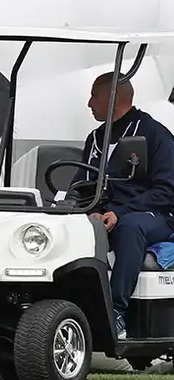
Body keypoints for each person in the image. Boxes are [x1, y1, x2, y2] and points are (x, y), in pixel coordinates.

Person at [72, 72, 174, 340]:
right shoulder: (95, 139)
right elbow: (81, 185)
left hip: (154, 216)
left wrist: (120, 212)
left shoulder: (155, 134)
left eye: (94, 95)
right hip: (105, 212)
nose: (89, 103)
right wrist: (88, 209)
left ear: (113, 98)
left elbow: (167, 191)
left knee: (130, 226)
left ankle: (115, 311)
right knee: (69, 226)